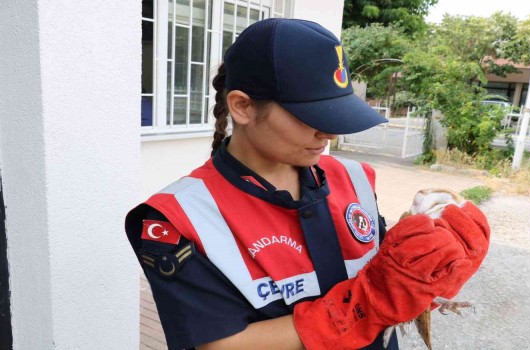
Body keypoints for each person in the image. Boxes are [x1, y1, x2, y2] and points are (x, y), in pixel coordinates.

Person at [125, 18, 490, 350]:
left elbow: (384, 275)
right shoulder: (177, 219)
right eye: (309, 115)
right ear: (243, 107)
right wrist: (368, 303)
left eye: (334, 112)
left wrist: (429, 276)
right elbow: (219, 345)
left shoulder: (354, 178)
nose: (328, 132)